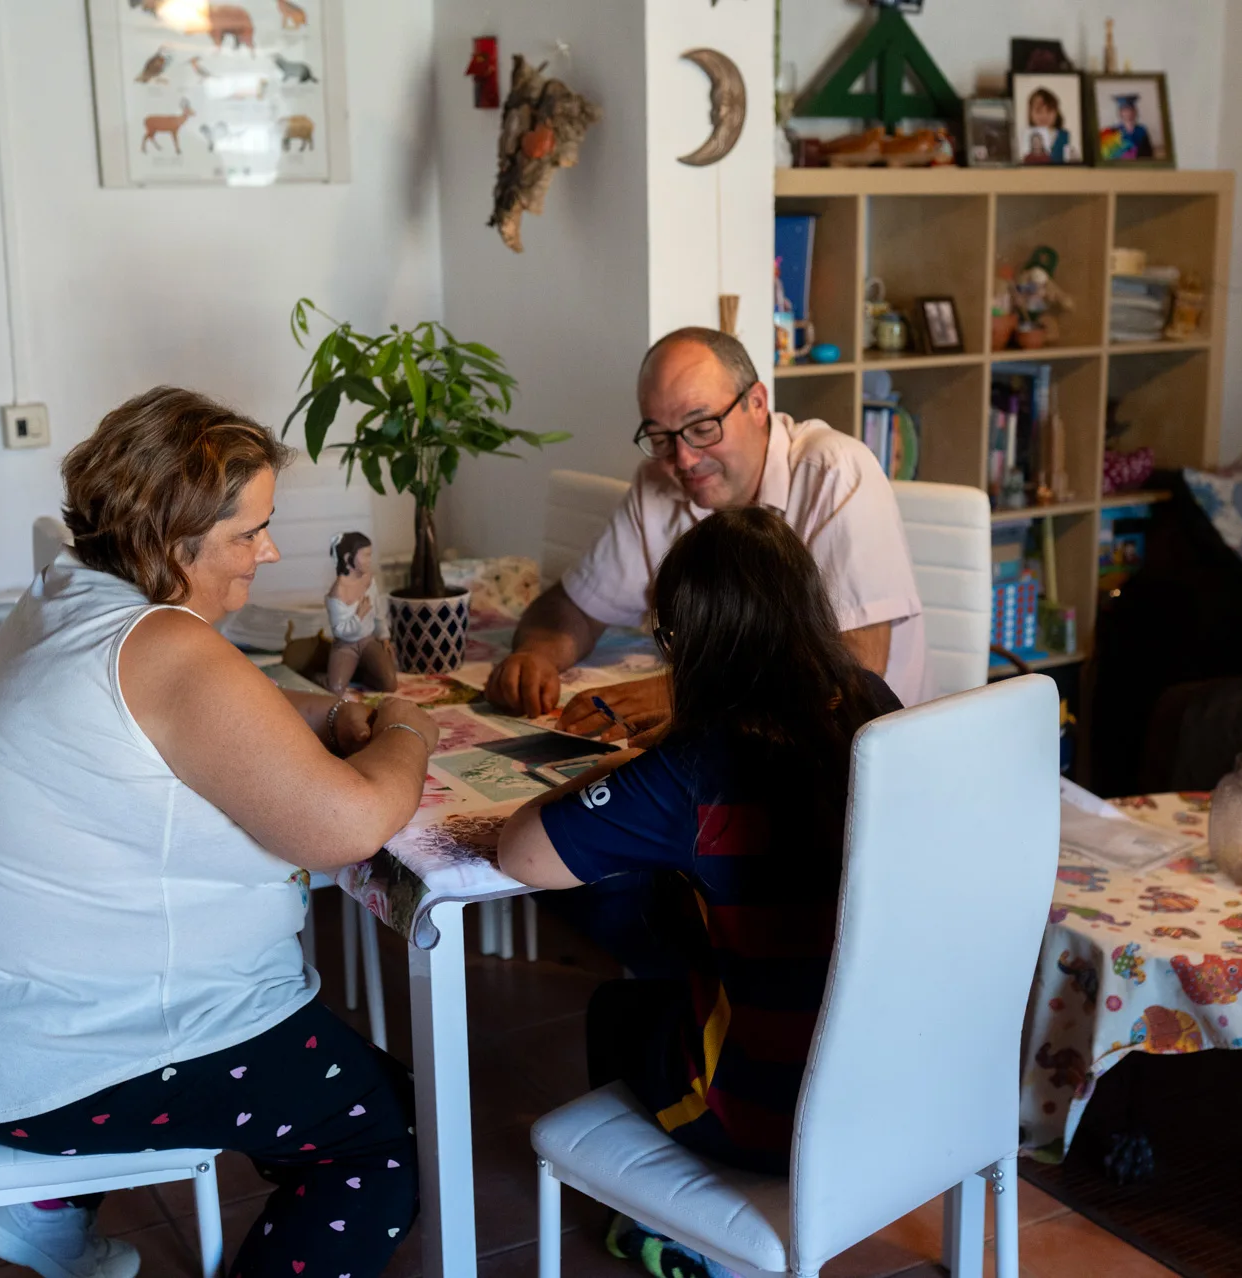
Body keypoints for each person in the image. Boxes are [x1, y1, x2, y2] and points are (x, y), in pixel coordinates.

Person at [0, 387, 433, 1278]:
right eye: (245, 534)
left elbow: (204, 719)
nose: (268, 550)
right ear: (164, 543)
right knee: (384, 1134)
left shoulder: (71, 589)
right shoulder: (165, 650)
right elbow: (349, 826)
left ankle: (50, 1202)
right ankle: (58, 1188)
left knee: (344, 1083)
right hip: (68, 1057)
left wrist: (322, 715)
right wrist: (405, 724)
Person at [497, 508, 901, 1276]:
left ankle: (669, 1226)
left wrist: (626, 769)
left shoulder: (697, 767)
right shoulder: (867, 701)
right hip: (887, 1089)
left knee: (621, 1006)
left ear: (696, 645)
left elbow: (523, 851)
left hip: (771, 1117)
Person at [485, 327, 923, 740]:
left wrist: (682, 693)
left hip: (858, 757)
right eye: (660, 436)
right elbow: (576, 609)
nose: (685, 459)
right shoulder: (660, 479)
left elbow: (857, 666)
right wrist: (536, 655)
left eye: (701, 428)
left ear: (756, 403)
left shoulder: (835, 471)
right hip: (732, 743)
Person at [324, 530, 398, 693]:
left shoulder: (369, 580)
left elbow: (378, 611)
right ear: (347, 558)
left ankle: (361, 670)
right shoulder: (338, 592)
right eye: (365, 555)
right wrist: (359, 615)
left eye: (370, 555)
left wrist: (384, 636)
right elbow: (340, 631)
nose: (369, 560)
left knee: (390, 683)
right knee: (335, 689)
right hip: (346, 645)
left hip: (367, 641)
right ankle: (338, 669)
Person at [1100, 93, 1155, 161]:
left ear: (1135, 112)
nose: (1128, 113)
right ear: (1120, 113)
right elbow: (1108, 155)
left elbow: (1149, 153)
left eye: (1131, 110)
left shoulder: (1142, 130)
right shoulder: (1113, 131)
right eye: (1125, 110)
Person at [1026, 86, 1073, 163]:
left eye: (1049, 111)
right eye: (1039, 111)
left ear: (1056, 113)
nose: (1044, 116)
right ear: (1030, 113)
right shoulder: (1026, 137)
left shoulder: (1064, 136)